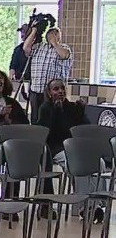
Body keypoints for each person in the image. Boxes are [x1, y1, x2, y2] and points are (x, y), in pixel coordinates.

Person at [37, 79, 97, 221]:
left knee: (98, 162)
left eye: (62, 88)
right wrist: (57, 112)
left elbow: (84, 127)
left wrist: (82, 111)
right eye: (56, 89)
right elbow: (47, 133)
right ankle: (84, 207)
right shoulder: (45, 108)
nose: (60, 91)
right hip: (57, 148)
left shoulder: (71, 107)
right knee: (78, 165)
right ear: (49, 93)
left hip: (76, 146)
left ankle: (97, 204)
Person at [23, 25, 73, 123]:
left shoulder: (64, 48)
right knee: (36, 120)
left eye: (55, 33)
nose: (52, 35)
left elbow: (64, 55)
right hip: (36, 90)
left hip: (53, 93)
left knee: (51, 120)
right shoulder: (38, 47)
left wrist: (54, 43)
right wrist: (34, 31)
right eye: (50, 33)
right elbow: (25, 48)